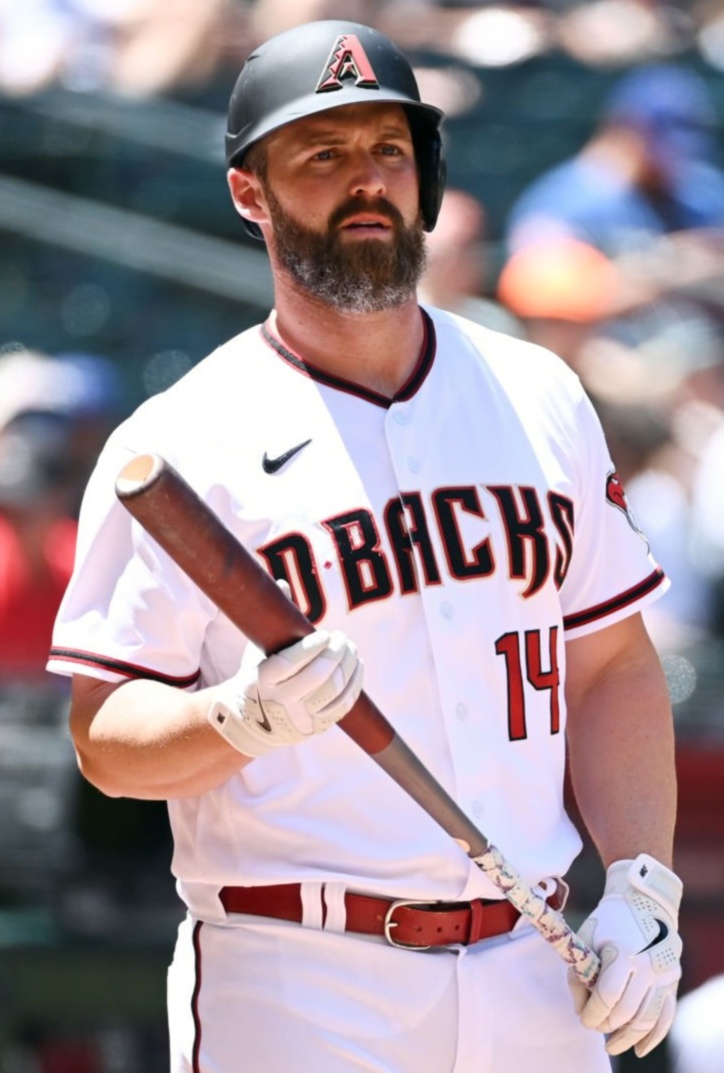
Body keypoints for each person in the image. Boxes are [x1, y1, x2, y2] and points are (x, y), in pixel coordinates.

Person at [48, 19, 682, 1073]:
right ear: (251, 193)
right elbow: (104, 737)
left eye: (389, 148)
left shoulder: (537, 392)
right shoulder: (183, 437)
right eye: (322, 154)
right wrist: (238, 717)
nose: (366, 181)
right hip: (301, 971)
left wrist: (643, 882)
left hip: (535, 961)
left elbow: (611, 659)